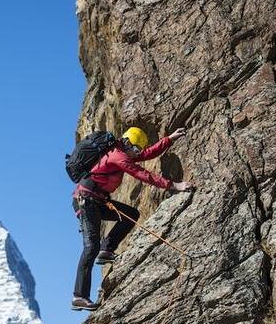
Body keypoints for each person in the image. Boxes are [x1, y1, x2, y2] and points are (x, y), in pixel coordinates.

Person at [71, 126, 192, 311]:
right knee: (90, 247)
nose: (136, 153)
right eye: (135, 149)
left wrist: (169, 139)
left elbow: (146, 154)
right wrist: (173, 185)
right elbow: (143, 174)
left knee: (131, 215)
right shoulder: (118, 155)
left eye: (137, 150)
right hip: (87, 201)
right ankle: (79, 296)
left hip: (97, 200)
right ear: (127, 142)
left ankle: (107, 249)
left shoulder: (123, 152)